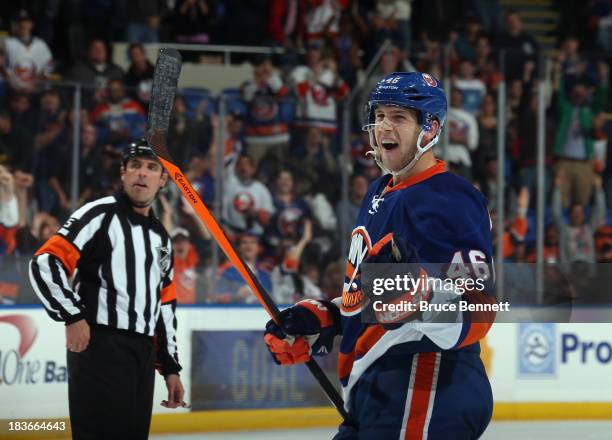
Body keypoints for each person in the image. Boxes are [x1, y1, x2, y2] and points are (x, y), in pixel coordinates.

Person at [263, 71, 496, 438]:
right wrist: (327, 316)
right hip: (379, 394)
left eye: (399, 117)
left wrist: (422, 298)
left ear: (430, 130)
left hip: (424, 387)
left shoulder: (448, 198)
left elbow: (480, 309)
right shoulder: (380, 191)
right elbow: (380, 296)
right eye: (380, 116)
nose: (384, 126)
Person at [29, 140, 185, 439]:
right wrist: (72, 315)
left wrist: (171, 368)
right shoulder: (99, 214)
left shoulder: (162, 238)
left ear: (163, 180)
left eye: (152, 168)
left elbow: (165, 306)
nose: (143, 174)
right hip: (100, 346)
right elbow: (45, 263)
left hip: (141, 353)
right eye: (136, 166)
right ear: (123, 172)